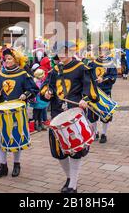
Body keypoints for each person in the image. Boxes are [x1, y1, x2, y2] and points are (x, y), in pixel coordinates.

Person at [40, 41, 99, 193]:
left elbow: (90, 88)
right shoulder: (54, 71)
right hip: (57, 114)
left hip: (74, 113)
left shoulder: (81, 68)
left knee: (74, 149)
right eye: (60, 51)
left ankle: (73, 183)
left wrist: (85, 99)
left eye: (66, 50)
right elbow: (47, 86)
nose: (63, 54)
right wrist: (47, 92)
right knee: (59, 151)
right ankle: (69, 177)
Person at [0, 48, 39, 179]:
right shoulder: (0, 74)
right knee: (0, 139)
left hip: (17, 111)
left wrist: (25, 94)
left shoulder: (23, 74)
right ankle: (2, 166)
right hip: (2, 112)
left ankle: (17, 164)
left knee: (16, 136)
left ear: (16, 60)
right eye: (6, 59)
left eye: (10, 58)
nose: (7, 61)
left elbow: (33, 89)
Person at [88, 42, 118, 143]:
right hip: (94, 92)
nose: (102, 52)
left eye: (104, 50)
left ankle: (104, 134)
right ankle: (95, 132)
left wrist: (104, 79)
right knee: (92, 115)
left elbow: (113, 77)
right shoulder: (92, 63)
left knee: (105, 114)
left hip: (105, 92)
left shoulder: (111, 63)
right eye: (100, 50)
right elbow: (87, 76)